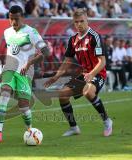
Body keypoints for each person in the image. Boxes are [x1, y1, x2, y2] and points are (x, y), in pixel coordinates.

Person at [44, 8, 113, 137]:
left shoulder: (95, 37)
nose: (79, 24)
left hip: (98, 73)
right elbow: (67, 61)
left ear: (87, 20)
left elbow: (102, 62)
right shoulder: (73, 39)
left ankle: (107, 121)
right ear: (73, 23)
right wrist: (56, 76)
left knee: (88, 92)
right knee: (63, 95)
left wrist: (92, 74)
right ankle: (74, 128)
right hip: (85, 74)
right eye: (76, 22)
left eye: (82, 21)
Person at [0, 5, 49, 144]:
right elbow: (10, 52)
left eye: (16, 19)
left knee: (23, 106)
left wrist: (29, 63)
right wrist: (2, 70)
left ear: (22, 17)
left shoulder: (32, 32)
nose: (14, 22)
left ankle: (30, 130)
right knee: (4, 94)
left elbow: (46, 52)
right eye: (11, 19)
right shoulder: (7, 32)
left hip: (25, 70)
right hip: (10, 68)